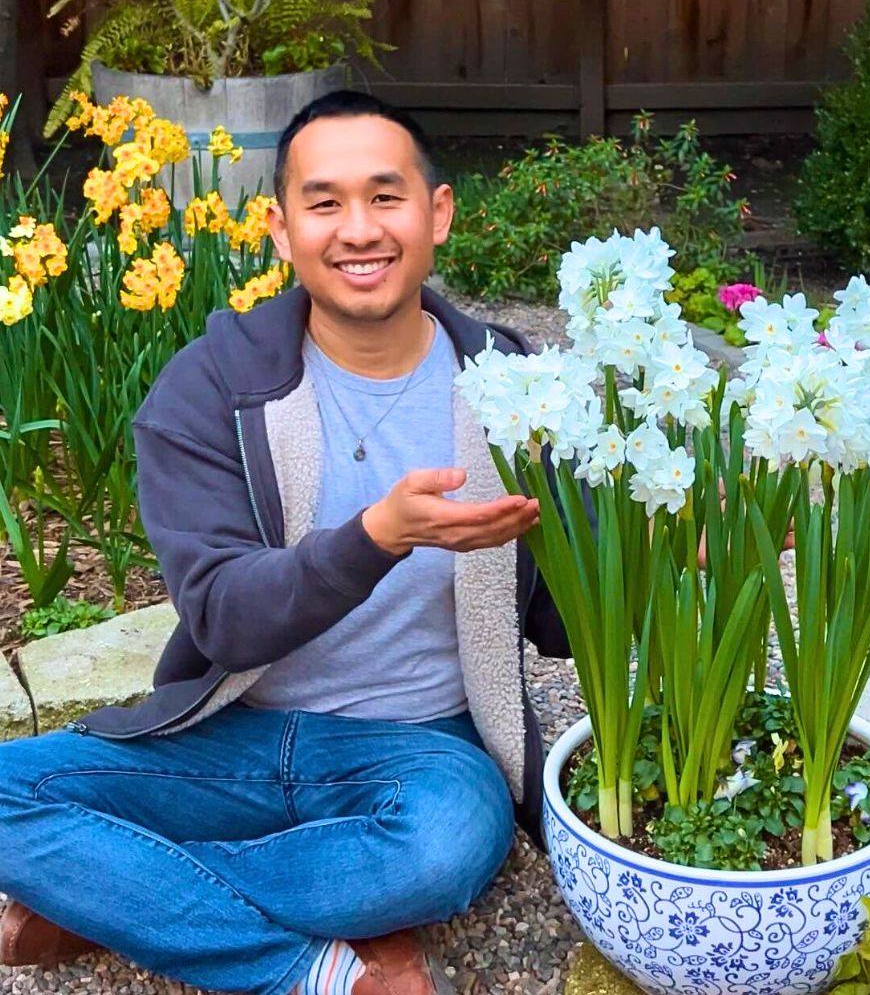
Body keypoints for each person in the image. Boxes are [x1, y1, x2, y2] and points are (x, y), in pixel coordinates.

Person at [0, 90, 571, 995]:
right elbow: (226, 622)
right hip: (230, 733)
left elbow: (559, 618)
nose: (359, 230)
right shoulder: (210, 389)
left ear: (439, 214)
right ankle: (313, 967)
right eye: (325, 202)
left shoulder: (510, 388)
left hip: (418, 749)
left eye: (386, 197)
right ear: (279, 227)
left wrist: (659, 557)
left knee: (447, 847)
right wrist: (376, 538)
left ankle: (115, 901)